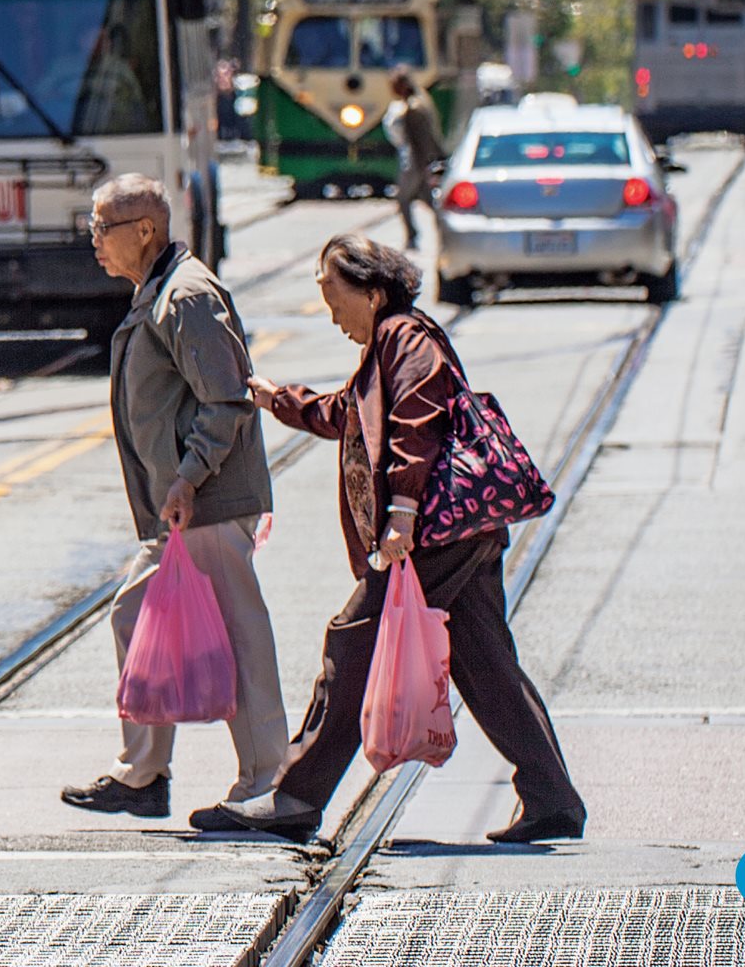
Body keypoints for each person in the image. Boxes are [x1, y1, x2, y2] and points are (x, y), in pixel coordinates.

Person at [197, 233, 585, 847]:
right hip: (462, 530)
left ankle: (296, 797)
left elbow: (417, 420)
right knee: (485, 663)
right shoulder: (387, 342)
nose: (330, 313)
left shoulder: (406, 338)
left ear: (373, 293)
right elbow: (348, 413)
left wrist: (401, 511)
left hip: (431, 533)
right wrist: (283, 402)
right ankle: (553, 798)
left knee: (352, 643)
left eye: (335, 297)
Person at [61, 173, 288, 822]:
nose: (95, 242)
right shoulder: (157, 291)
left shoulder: (185, 295)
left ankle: (265, 779)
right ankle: (144, 772)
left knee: (239, 636)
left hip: (206, 501)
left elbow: (227, 397)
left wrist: (189, 475)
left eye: (102, 228)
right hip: (183, 505)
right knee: (136, 616)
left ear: (146, 231)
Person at [386, 67, 444, 249]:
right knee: (429, 201)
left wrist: (425, 164)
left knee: (403, 198)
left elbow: (422, 140)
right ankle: (444, 231)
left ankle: (413, 236)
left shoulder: (413, 108)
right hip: (416, 162)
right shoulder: (415, 103)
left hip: (414, 163)